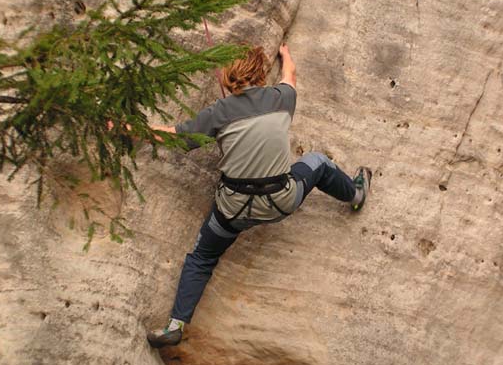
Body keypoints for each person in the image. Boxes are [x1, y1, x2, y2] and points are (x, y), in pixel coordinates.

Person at [146, 44, 372, 348]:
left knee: (202, 257)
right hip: (280, 201)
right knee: (318, 162)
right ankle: (356, 193)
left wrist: (131, 128)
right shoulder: (281, 98)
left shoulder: (219, 113)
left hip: (232, 211)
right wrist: (286, 53)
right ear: (260, 72)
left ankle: (176, 325)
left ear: (227, 75)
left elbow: (173, 136)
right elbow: (290, 75)